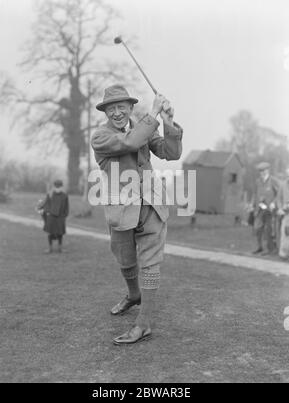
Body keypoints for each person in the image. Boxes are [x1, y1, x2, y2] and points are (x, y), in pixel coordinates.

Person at [91, 85, 183, 345]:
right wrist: (153, 114)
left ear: (131, 108)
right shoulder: (100, 137)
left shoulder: (143, 127)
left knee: (151, 264)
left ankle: (143, 324)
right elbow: (131, 142)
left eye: (122, 107)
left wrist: (168, 123)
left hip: (152, 205)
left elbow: (171, 153)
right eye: (112, 109)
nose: (118, 113)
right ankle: (133, 294)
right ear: (106, 113)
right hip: (122, 210)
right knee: (126, 260)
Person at [252, 162, 280, 255]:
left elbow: (280, 194)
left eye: (264, 170)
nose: (262, 172)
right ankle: (259, 247)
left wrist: (274, 203)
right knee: (257, 228)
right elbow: (255, 194)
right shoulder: (258, 181)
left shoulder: (274, 181)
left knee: (269, 230)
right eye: (260, 171)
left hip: (270, 210)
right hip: (260, 208)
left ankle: (270, 249)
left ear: (268, 170)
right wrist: (252, 204)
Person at [41, 180, 69, 254]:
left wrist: (65, 215)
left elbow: (66, 207)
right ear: (54, 187)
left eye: (59, 187)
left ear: (61, 187)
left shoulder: (64, 196)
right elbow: (46, 205)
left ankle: (60, 248)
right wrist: (48, 212)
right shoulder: (50, 194)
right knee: (50, 233)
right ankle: (50, 248)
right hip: (51, 217)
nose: (58, 188)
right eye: (56, 187)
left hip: (60, 217)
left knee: (60, 233)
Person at [278, 168, 289, 260]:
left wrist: (288, 206)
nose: (288, 177)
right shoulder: (283, 185)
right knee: (285, 233)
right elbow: (279, 198)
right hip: (286, 214)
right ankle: (284, 253)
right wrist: (280, 208)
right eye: (287, 175)